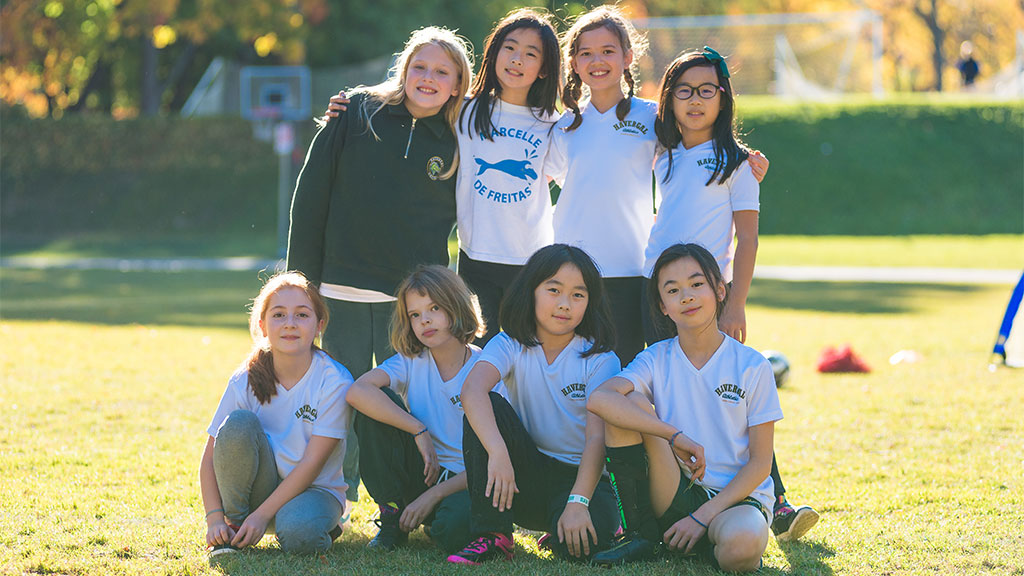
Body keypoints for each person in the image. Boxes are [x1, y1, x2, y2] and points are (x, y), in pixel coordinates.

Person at [286, 27, 474, 503]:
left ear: (457, 84)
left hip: (409, 304)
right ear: (404, 69)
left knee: (405, 404)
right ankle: (334, 496)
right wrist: (302, 283)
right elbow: (311, 199)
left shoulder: (461, 138)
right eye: (420, 67)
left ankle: (402, 499)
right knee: (339, 398)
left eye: (442, 72)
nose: (428, 78)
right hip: (342, 290)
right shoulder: (356, 112)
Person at [642, 47, 818, 541]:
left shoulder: (738, 164)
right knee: (660, 392)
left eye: (707, 91)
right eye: (683, 91)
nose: (695, 101)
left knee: (737, 393)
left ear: (724, 98)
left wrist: (735, 301)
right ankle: (651, 501)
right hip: (655, 290)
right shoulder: (663, 152)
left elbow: (748, 237)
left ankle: (776, 501)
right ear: (668, 99)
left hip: (706, 299)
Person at [325, 9, 563, 346]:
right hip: (474, 258)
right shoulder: (464, 110)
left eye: (530, 54)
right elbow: (414, 96)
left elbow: (566, 177)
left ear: (544, 68)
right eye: (510, 48)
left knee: (529, 355)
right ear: (494, 52)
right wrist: (351, 102)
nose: (517, 59)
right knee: (478, 358)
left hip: (530, 261)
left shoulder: (554, 123)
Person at [547, 7, 770, 365]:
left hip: (634, 270)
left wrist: (746, 160)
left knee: (632, 367)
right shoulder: (564, 126)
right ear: (573, 62)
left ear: (628, 57)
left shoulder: (653, 118)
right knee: (575, 368)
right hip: (574, 269)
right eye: (585, 53)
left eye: (608, 50)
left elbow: (701, 139)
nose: (597, 60)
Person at [587, 243, 781, 571]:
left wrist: (702, 518)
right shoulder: (655, 358)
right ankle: (641, 533)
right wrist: (674, 436)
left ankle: (699, 541)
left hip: (734, 501)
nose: (686, 296)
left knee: (742, 549)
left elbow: (761, 463)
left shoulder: (752, 366)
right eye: (673, 290)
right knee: (628, 401)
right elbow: (599, 399)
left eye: (696, 284)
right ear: (662, 306)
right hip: (674, 489)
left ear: (720, 290)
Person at [446, 244, 622, 565]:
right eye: (553, 290)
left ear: (590, 302)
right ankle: (494, 535)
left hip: (579, 478)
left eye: (578, 295)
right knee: (489, 405)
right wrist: (499, 453)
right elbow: (472, 390)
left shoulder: (600, 359)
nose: (564, 304)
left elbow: (598, 438)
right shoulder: (510, 342)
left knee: (580, 550)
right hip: (519, 473)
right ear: (532, 291)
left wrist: (579, 502)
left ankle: (565, 524)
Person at [346, 265, 500, 553]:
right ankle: (393, 517)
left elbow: (496, 460)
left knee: (451, 533)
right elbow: (358, 391)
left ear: (456, 306)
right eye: (415, 315)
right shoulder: (410, 360)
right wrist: (418, 429)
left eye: (434, 308)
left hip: (469, 482)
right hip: (422, 471)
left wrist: (435, 496)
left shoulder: (487, 369)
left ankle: (435, 516)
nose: (425, 321)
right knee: (375, 404)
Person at [199, 272, 353, 556]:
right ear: (263, 325)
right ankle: (236, 526)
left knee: (299, 534)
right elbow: (210, 455)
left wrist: (262, 516)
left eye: (302, 315)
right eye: (279, 315)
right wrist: (215, 518)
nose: (290, 324)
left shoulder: (335, 382)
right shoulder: (244, 379)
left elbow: (312, 464)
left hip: (315, 491)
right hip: (261, 488)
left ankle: (321, 526)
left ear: (319, 326)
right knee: (237, 425)